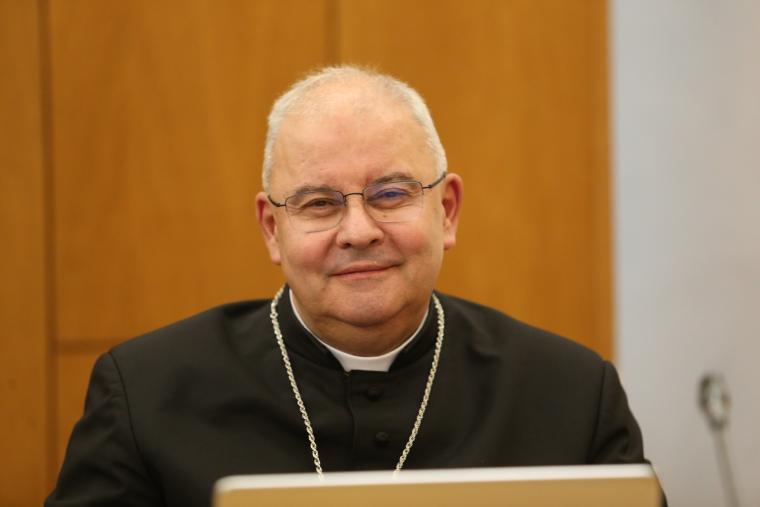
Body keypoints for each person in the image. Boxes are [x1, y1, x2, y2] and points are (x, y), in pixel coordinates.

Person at [47, 66, 656, 506]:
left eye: (391, 193)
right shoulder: (145, 393)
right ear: (272, 229)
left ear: (446, 211)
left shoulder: (571, 393)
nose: (359, 231)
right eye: (319, 203)